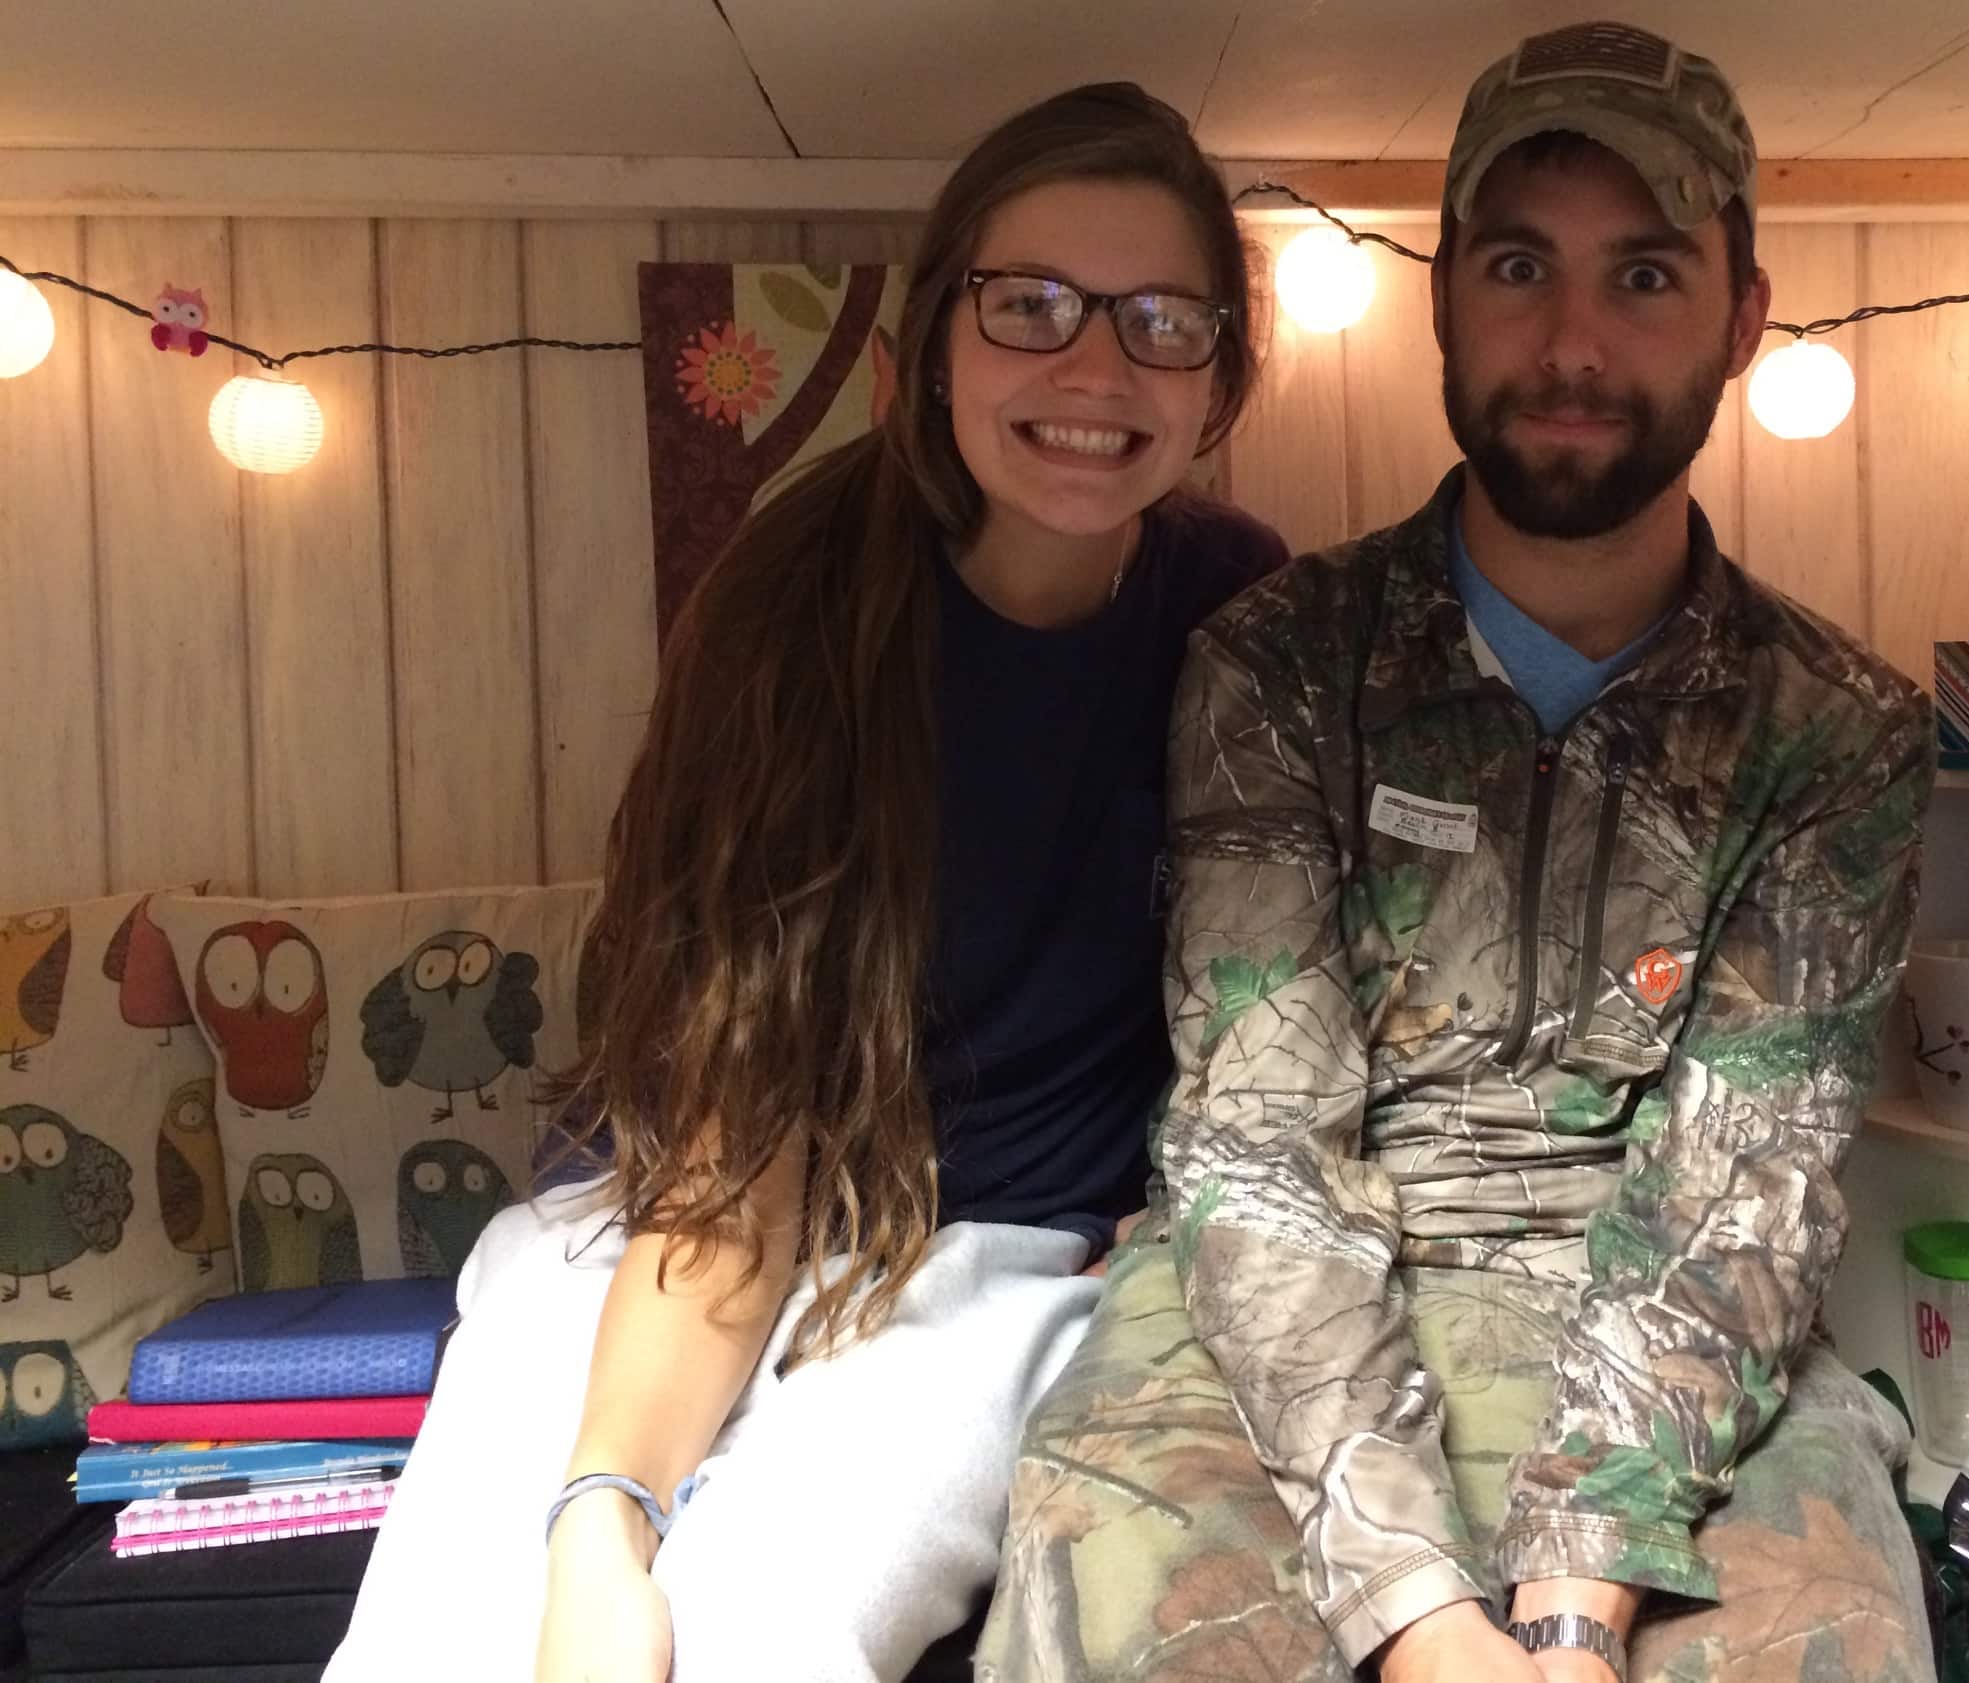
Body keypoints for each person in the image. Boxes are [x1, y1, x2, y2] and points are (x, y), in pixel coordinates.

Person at [976, 23, 1938, 1683]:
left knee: (1830, 1644)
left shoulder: (1835, 728)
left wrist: (1573, 1613)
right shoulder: (1279, 663)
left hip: (1666, 1332)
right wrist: (1420, 1616)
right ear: (1442, 300)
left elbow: (1737, 1192)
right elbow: (1263, 1139)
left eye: (1644, 275)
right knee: (1133, 1619)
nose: (1571, 341)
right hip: (1275, 1311)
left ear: (1743, 318)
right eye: (1517, 265)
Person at [327, 81, 1285, 1683]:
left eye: (1161, 319)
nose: (1094, 367)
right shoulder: (800, 604)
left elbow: (1284, 990)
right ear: (933, 346)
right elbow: (731, 1148)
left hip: (999, 1252)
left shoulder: (1242, 611)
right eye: (1030, 304)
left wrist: (1194, 1207)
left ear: (1220, 379)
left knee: (771, 1628)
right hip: (681, 1210)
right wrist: (601, 1521)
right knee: (471, 1634)